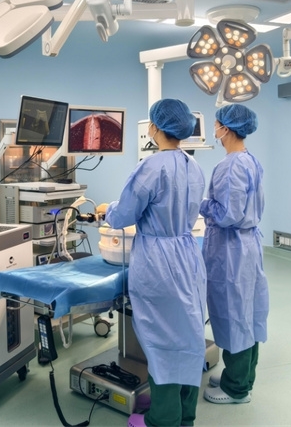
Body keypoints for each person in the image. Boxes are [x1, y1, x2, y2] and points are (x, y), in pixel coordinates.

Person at [96, 98, 207, 427]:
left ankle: (162, 418)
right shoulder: (193, 165)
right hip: (187, 255)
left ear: (155, 128)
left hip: (158, 262)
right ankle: (184, 413)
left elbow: (123, 215)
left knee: (162, 341)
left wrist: (106, 210)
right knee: (188, 336)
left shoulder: (151, 166)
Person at [200, 104, 269, 405]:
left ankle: (236, 389)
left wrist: (200, 204)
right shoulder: (249, 160)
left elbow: (228, 214)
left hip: (231, 250)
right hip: (246, 245)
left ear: (225, 129)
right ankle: (240, 377)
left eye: (216, 124)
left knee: (234, 316)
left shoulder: (230, 166)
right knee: (247, 314)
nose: (214, 129)